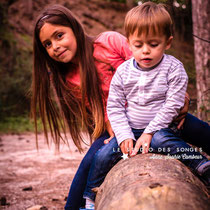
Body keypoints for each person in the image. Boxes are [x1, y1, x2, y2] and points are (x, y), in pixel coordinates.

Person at [31, 4, 210, 210]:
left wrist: (181, 99)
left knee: (199, 130)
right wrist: (114, 126)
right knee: (90, 163)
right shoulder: (67, 78)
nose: (54, 46)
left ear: (74, 28)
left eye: (59, 35)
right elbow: (102, 111)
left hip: (159, 113)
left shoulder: (108, 43)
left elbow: (150, 63)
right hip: (119, 125)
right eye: (47, 44)